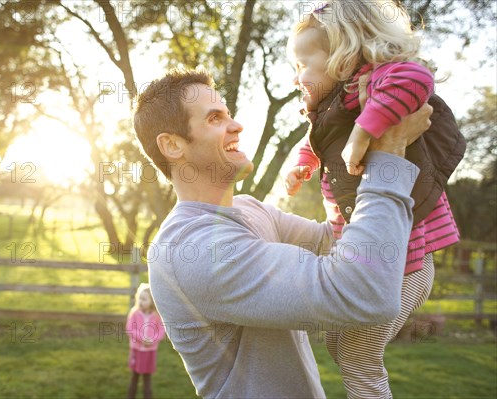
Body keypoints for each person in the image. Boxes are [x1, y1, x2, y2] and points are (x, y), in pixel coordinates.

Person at [133, 67, 431, 398]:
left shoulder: (251, 209)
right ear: (172, 145)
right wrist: (388, 156)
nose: (236, 125)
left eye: (228, 114)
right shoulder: (190, 248)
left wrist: (371, 117)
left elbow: (342, 242)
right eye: (215, 118)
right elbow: (363, 291)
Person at [284, 1, 465, 397]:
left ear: (343, 54)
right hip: (381, 262)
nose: (297, 77)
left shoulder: (381, 79)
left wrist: (364, 133)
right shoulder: (332, 110)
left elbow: (416, 80)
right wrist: (301, 164)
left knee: (359, 356)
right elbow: (317, 141)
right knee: (338, 344)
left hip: (407, 265)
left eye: (302, 64)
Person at [126, 283, 165, 399]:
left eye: (144, 299)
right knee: (134, 377)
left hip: (150, 352)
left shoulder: (157, 316)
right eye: (140, 298)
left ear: (152, 301)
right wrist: (141, 338)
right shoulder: (134, 313)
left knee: (147, 380)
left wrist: (153, 340)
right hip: (136, 350)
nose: (141, 301)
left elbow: (161, 331)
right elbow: (130, 329)